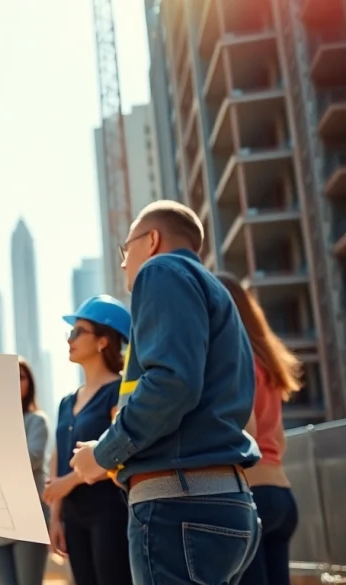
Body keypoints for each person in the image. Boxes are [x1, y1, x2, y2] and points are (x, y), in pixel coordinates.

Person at [69, 200, 261, 585]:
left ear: (152, 240)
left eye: (126, 249)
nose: (124, 263)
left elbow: (172, 385)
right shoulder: (215, 290)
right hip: (226, 502)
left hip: (177, 506)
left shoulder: (160, 271)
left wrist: (102, 456)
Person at [40, 295, 133, 585]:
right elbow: (57, 455)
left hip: (110, 511)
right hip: (73, 516)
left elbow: (123, 451)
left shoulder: (120, 392)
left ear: (103, 340)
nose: (70, 339)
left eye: (78, 332)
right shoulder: (67, 401)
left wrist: (68, 482)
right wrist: (56, 518)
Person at [217, 273, 301, 585]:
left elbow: (245, 430)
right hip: (282, 494)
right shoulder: (267, 362)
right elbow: (277, 439)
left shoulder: (234, 359)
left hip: (252, 496)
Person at [0, 357, 51, 585]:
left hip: (28, 518)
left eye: (19, 377)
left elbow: (31, 460)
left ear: (29, 384)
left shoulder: (37, 421)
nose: (13, 382)